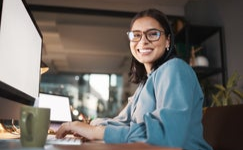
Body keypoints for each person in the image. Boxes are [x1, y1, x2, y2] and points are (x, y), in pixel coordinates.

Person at [55, 8, 212, 150]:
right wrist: (88, 127)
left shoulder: (174, 68)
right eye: (136, 35)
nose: (143, 41)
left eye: (153, 34)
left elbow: (167, 137)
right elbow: (121, 122)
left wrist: (96, 131)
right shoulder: (146, 83)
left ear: (168, 41)